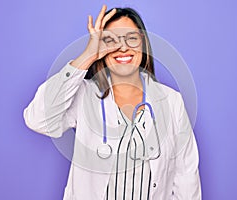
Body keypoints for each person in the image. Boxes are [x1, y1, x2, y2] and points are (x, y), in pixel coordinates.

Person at [23, 5, 201, 200]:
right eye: (111, 40)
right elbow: (38, 120)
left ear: (142, 44)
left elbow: (186, 175)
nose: (122, 47)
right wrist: (87, 55)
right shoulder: (84, 95)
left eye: (131, 38)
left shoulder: (171, 101)